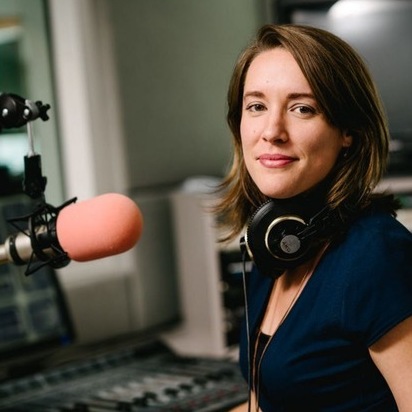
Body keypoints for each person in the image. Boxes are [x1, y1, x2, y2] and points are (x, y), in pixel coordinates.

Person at [214, 24, 412, 411]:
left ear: (347, 132)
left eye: (302, 108)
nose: (272, 131)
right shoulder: (274, 244)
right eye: (256, 106)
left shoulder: (376, 255)